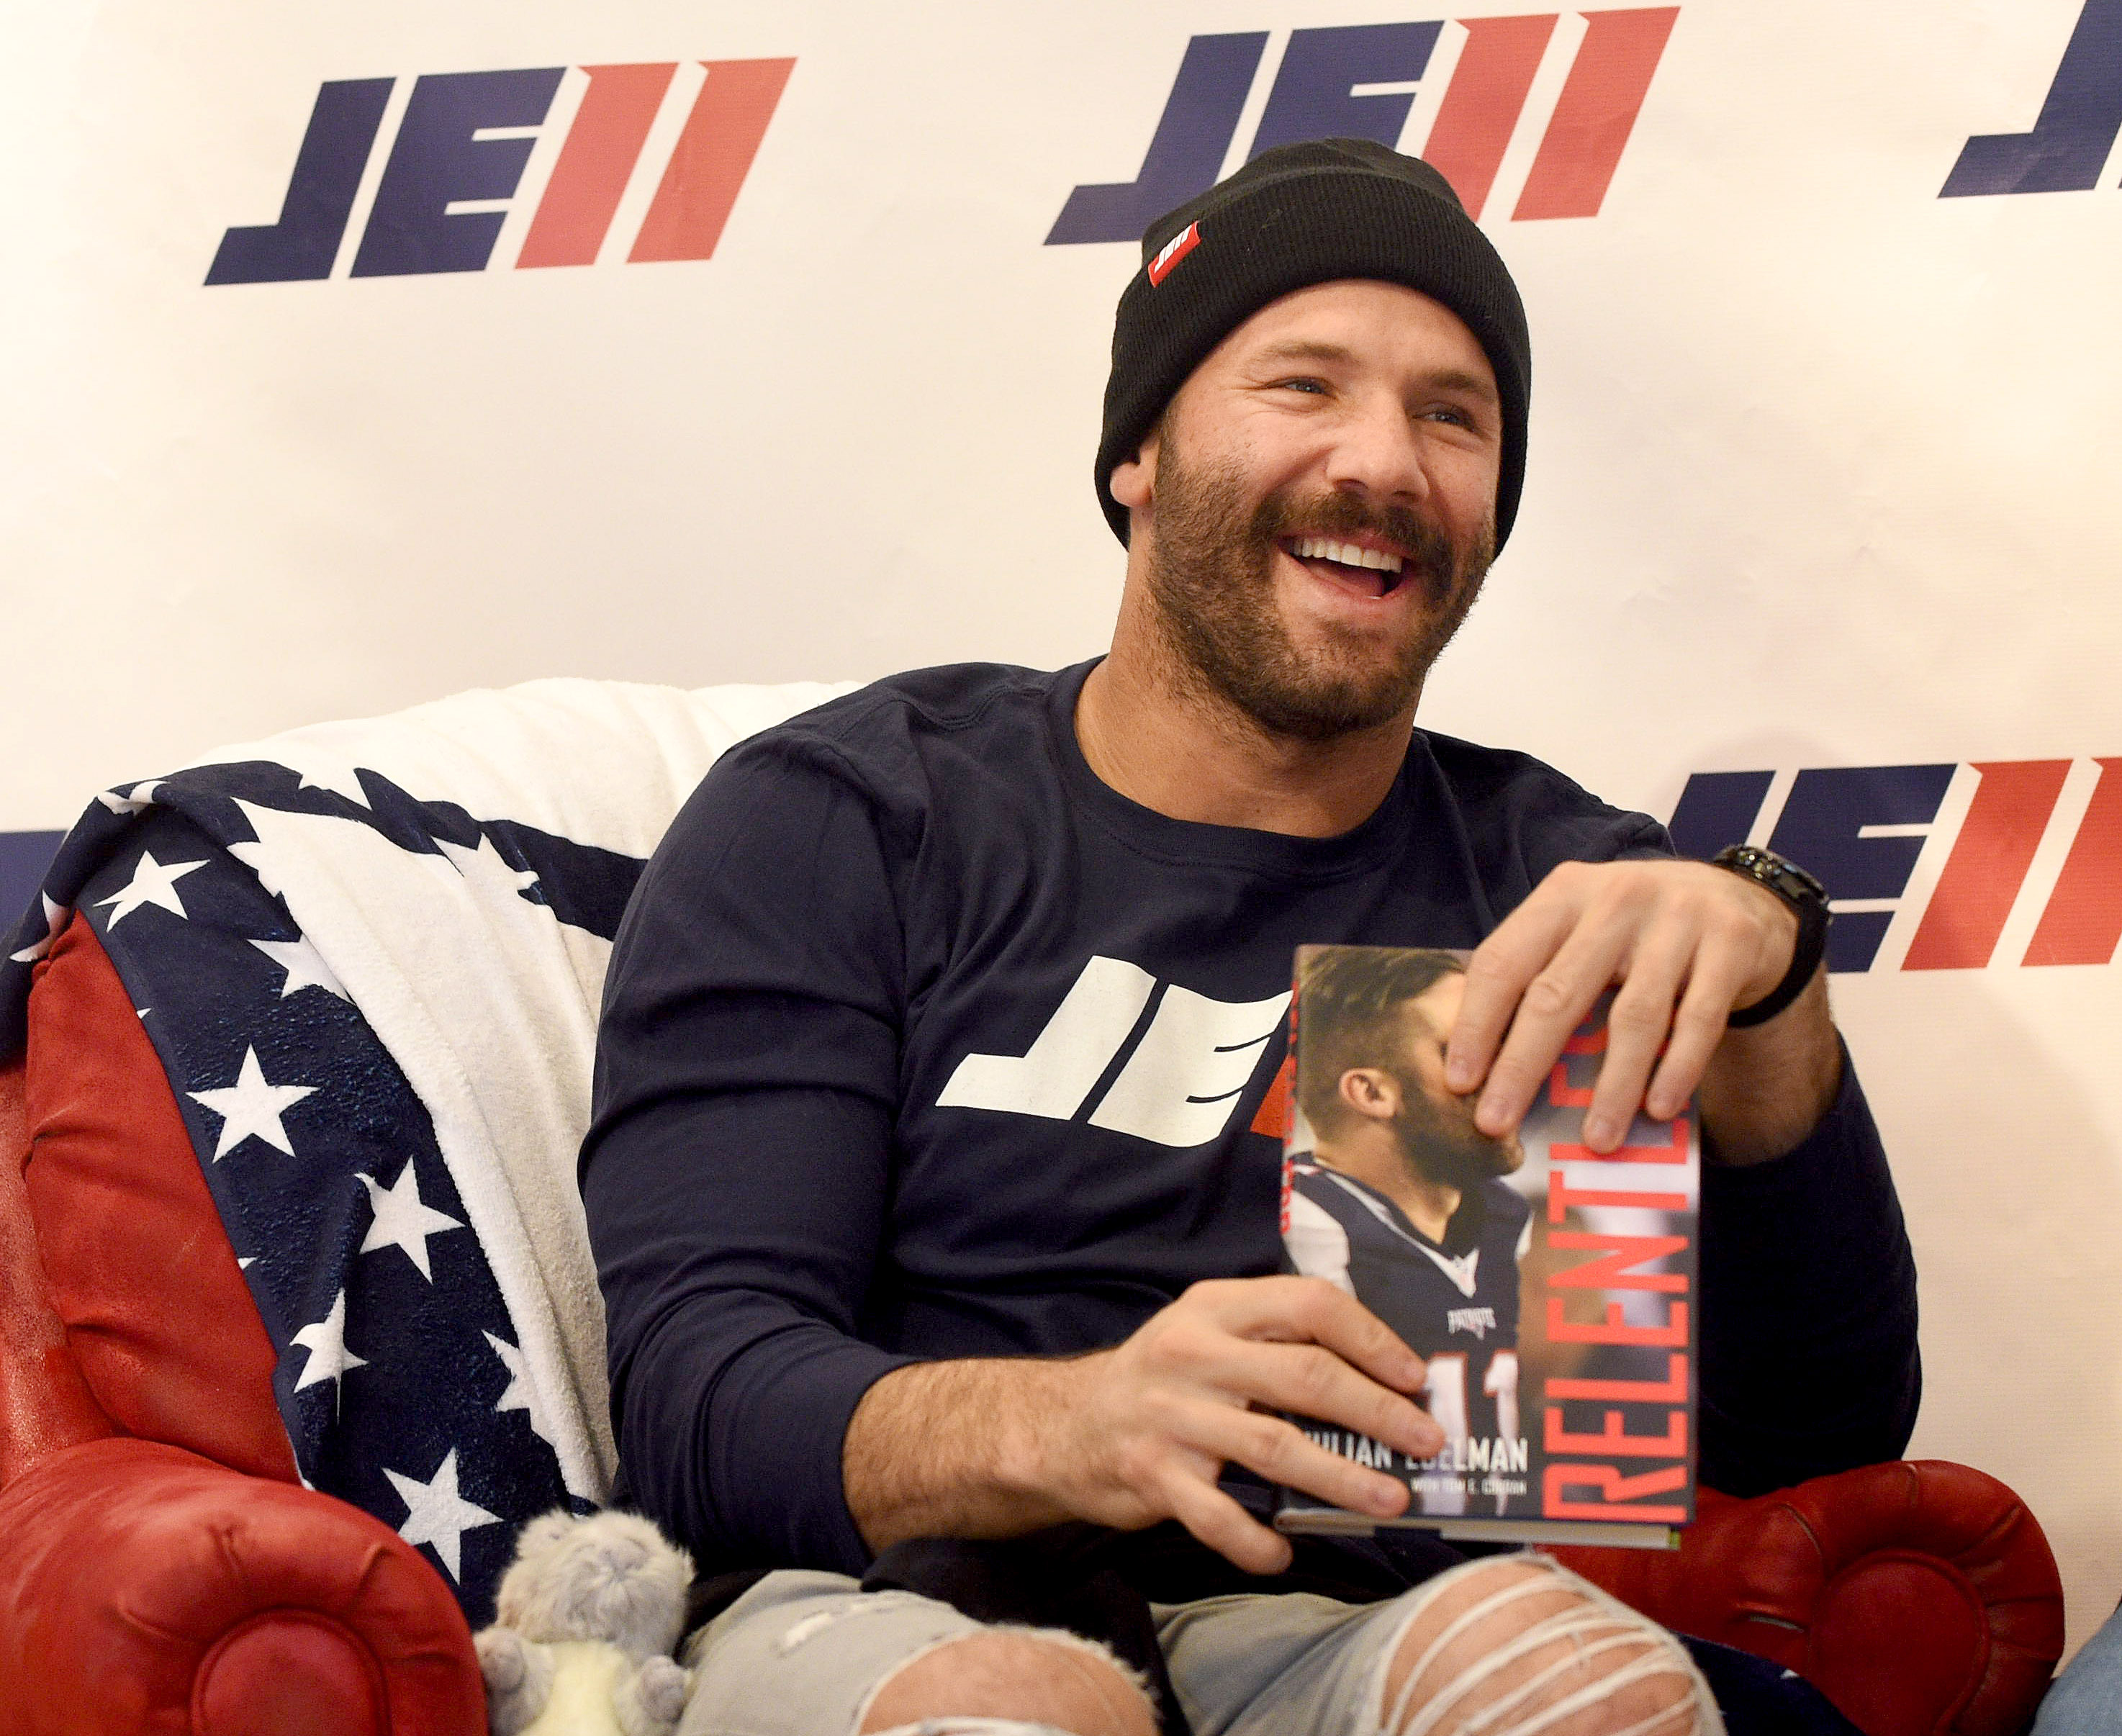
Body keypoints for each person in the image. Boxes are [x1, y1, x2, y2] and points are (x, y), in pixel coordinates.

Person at [583, 139, 1918, 1736]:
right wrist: (1076, 1422)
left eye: (1453, 413)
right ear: (1138, 451)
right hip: (887, 1607)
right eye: (1303, 384)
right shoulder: (856, 815)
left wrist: (1765, 986)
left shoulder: (1560, 889)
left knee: (1566, 1676)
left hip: (1349, 1632)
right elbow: (695, 1389)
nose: (1389, 461)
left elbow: (1812, 1443)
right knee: (1011, 1708)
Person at [1283, 947, 1530, 1519]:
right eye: (1467, 1051)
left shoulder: (1504, 1214)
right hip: (1353, 1569)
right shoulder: (1311, 1222)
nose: (1514, 1071)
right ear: (1371, 1093)